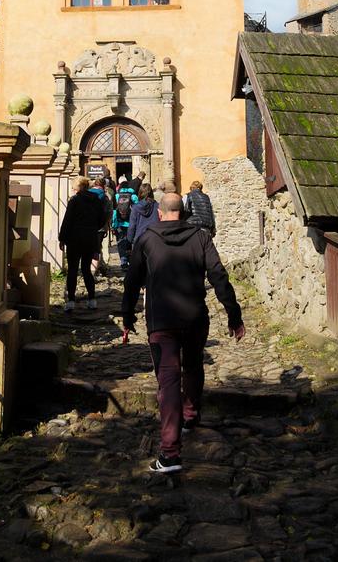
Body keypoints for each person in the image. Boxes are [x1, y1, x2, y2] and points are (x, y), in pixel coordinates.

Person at [122, 193, 245, 474]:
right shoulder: (200, 237)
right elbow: (219, 275)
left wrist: (127, 316)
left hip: (161, 320)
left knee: (167, 382)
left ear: (161, 213)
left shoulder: (147, 239)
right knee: (192, 366)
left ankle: (170, 453)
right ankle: (190, 416)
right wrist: (233, 314)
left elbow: (132, 282)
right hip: (194, 317)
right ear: (183, 212)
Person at [58, 176, 105, 312]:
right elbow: (102, 219)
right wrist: (93, 228)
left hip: (74, 239)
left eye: (73, 187)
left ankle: (71, 301)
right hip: (89, 238)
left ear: (79, 188)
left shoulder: (74, 201)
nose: (73, 190)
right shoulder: (95, 200)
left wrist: (62, 238)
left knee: (72, 269)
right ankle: (92, 300)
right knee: (86, 269)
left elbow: (67, 221)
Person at [112, 178, 138, 269]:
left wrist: (114, 225)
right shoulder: (134, 196)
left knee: (120, 242)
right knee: (130, 242)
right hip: (131, 223)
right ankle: (130, 260)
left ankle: (123, 262)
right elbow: (136, 211)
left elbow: (115, 211)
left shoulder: (117, 196)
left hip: (120, 224)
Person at [89, 176, 112, 277]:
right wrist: (106, 224)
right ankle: (93, 273)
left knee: (88, 248)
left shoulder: (86, 194)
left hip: (86, 226)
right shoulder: (105, 196)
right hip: (100, 228)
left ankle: (89, 270)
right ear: (103, 185)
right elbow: (108, 212)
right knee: (96, 249)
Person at [127, 182, 159, 247]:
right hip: (154, 239)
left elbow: (132, 226)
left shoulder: (135, 208)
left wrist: (129, 240)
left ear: (140, 193)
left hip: (139, 239)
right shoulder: (158, 206)